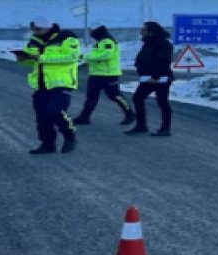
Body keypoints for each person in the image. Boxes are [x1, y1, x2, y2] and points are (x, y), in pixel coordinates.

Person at [15, 16, 82, 154]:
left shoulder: (67, 38)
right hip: (41, 83)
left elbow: (72, 57)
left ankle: (70, 136)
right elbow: (32, 62)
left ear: (47, 27)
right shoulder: (34, 41)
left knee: (56, 110)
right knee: (42, 115)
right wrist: (23, 59)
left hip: (61, 82)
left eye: (38, 29)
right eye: (33, 29)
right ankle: (47, 144)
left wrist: (41, 58)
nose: (36, 31)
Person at [73, 25, 135, 126]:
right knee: (91, 97)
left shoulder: (107, 42)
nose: (91, 34)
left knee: (115, 96)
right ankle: (84, 117)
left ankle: (130, 114)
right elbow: (96, 57)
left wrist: (85, 56)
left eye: (92, 32)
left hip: (108, 75)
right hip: (96, 74)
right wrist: (85, 63)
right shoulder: (100, 42)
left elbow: (105, 55)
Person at [124, 20, 174, 137]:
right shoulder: (149, 43)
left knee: (162, 102)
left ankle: (165, 128)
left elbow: (163, 62)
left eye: (144, 30)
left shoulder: (164, 44)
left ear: (151, 32)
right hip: (147, 78)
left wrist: (155, 77)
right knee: (138, 98)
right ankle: (141, 126)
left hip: (159, 78)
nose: (141, 32)